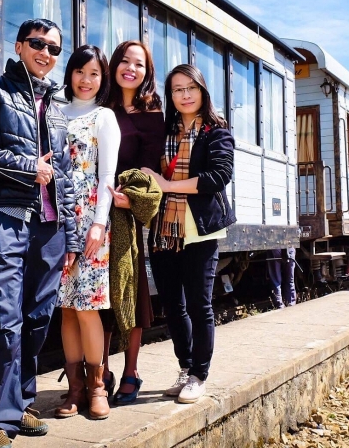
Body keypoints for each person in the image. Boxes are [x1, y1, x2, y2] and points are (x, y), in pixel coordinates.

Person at [0, 18, 78, 448]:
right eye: (38, 44)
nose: (46, 53)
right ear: (20, 46)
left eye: (54, 49)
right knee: (3, 318)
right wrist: (28, 168)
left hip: (50, 228)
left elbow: (64, 178)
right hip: (4, 217)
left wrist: (73, 237)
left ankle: (21, 404)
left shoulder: (57, 109)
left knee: (38, 319)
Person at [142, 64, 236, 404]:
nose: (184, 94)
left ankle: (199, 375)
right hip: (163, 230)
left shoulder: (216, 132)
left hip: (198, 232)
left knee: (199, 305)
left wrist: (168, 185)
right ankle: (184, 368)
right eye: (177, 89)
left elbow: (218, 176)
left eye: (190, 88)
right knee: (172, 304)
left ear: (202, 91)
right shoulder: (164, 132)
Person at [55, 45, 120, 420]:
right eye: (80, 71)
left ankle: (97, 388)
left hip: (89, 219)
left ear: (102, 78)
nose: (86, 80)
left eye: (94, 73)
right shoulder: (54, 112)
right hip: (58, 219)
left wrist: (99, 222)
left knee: (88, 307)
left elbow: (107, 176)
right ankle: (74, 390)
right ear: (71, 73)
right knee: (66, 307)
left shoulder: (103, 116)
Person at [101, 40, 165, 405]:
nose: (130, 68)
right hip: (94, 211)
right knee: (99, 296)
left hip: (124, 213)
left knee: (131, 291)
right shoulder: (101, 106)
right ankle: (101, 371)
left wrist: (131, 196)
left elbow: (148, 167)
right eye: (124, 61)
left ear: (146, 73)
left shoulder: (151, 114)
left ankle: (131, 370)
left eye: (138, 64)